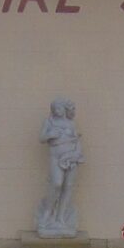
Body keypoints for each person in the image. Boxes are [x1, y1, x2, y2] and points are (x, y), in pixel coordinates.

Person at [36, 97, 84, 237]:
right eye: (54, 109)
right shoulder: (49, 121)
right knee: (56, 184)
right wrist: (50, 134)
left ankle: (60, 217)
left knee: (68, 186)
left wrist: (77, 153)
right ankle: (47, 213)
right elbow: (41, 138)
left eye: (59, 108)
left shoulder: (71, 123)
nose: (57, 111)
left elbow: (77, 140)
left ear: (64, 109)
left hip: (71, 157)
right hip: (55, 157)